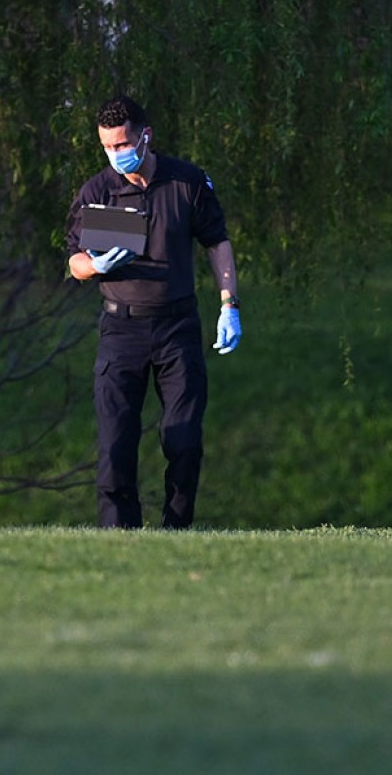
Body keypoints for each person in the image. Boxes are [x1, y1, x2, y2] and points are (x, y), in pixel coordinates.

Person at [66, 95, 242, 529]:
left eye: (123, 144)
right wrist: (94, 266)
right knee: (115, 443)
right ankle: (118, 535)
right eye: (107, 147)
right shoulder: (98, 191)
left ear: (146, 136)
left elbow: (217, 241)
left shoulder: (187, 182)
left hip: (177, 327)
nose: (116, 154)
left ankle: (176, 530)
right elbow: (73, 261)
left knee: (182, 438)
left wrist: (229, 305)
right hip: (120, 327)